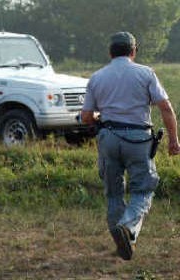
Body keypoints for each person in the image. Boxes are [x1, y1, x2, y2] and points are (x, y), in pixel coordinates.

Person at [81, 31, 180, 260]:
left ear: (110, 52)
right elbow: (165, 107)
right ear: (133, 52)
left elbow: (86, 116)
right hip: (138, 139)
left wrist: (100, 120)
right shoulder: (145, 73)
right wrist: (174, 140)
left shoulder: (97, 77)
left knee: (114, 193)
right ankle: (128, 227)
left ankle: (122, 240)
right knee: (143, 189)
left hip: (108, 137)